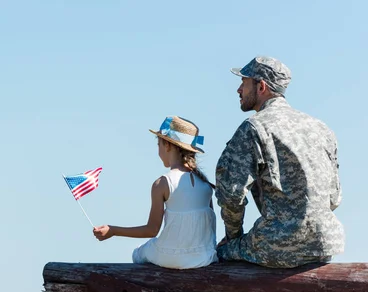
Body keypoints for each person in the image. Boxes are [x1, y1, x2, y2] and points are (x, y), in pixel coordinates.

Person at [216, 56, 344, 268]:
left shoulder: (255, 127)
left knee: (218, 257)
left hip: (277, 245)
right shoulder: (322, 129)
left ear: (261, 86)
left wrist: (233, 236)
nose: (239, 90)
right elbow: (334, 198)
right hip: (326, 243)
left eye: (244, 83)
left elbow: (230, 193)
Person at [93, 116, 218, 269]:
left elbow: (151, 230)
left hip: (170, 258)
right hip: (203, 258)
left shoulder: (162, 183)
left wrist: (113, 231)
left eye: (158, 144)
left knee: (138, 253)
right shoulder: (205, 184)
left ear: (167, 145)